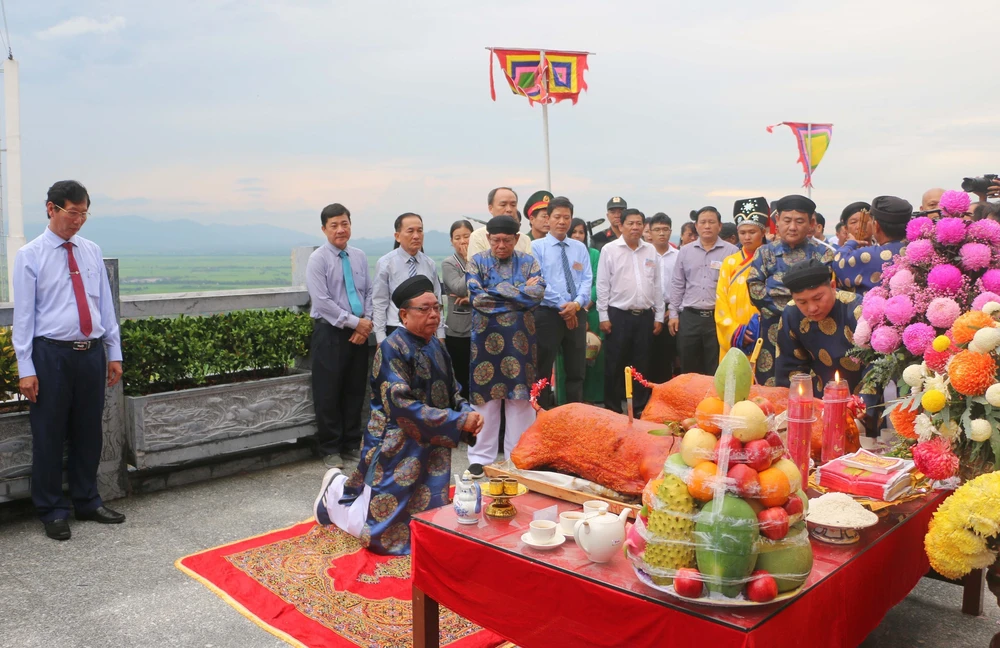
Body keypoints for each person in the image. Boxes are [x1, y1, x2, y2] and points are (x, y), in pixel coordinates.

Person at [313, 276, 484, 555]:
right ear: (404, 314)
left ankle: (341, 494)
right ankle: (332, 496)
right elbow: (400, 405)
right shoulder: (392, 348)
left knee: (427, 517)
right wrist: (456, 421)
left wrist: (467, 412)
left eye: (436, 308)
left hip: (432, 438)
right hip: (397, 441)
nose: (433, 314)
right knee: (383, 535)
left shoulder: (438, 346)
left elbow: (454, 391)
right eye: (424, 309)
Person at [13, 180, 125, 541]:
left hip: (90, 354)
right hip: (51, 354)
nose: (78, 220)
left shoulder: (91, 250)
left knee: (88, 431)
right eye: (72, 213)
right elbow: (24, 318)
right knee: (48, 433)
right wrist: (26, 368)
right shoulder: (30, 254)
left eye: (83, 213)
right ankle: (51, 509)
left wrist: (113, 353)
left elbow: (104, 306)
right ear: (51, 209)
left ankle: (88, 500)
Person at [466, 216, 546, 476]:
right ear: (488, 238)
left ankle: (518, 457)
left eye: (507, 240)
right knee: (485, 399)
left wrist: (497, 291)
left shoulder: (528, 262)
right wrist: (518, 291)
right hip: (484, 340)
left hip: (521, 342)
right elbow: (477, 298)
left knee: (520, 399)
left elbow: (536, 296)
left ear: (516, 239)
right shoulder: (477, 261)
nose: (501, 245)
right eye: (496, 240)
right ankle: (480, 457)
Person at [306, 203, 374, 469]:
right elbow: (321, 301)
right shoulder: (318, 259)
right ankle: (330, 448)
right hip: (330, 331)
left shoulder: (358, 255)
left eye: (344, 223)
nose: (340, 229)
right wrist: (356, 323)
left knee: (355, 389)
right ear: (324, 229)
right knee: (328, 391)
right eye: (334, 225)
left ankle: (350, 444)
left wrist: (364, 324)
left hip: (358, 331)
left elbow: (367, 291)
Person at [747, 194, 836, 386]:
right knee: (771, 390)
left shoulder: (823, 253)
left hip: (812, 330)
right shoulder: (764, 252)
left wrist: (777, 291)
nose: (793, 227)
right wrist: (793, 308)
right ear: (777, 221)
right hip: (772, 334)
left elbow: (823, 292)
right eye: (787, 220)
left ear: (811, 223)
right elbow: (755, 290)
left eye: (799, 221)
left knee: (811, 388)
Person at [597, 209, 664, 413]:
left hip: (644, 316)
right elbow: (602, 284)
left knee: (643, 364)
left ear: (644, 226)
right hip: (618, 315)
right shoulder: (610, 250)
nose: (635, 227)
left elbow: (657, 285)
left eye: (639, 223)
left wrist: (659, 316)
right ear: (621, 225)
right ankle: (613, 409)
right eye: (630, 223)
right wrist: (603, 316)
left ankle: (641, 409)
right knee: (615, 364)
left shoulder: (650, 251)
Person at [775, 259, 869, 398]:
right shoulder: (792, 313)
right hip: (818, 398)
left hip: (861, 395)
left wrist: (865, 404)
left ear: (832, 286)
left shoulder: (858, 310)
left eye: (818, 298)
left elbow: (875, 367)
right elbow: (790, 369)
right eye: (802, 302)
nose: (812, 308)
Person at [531, 197, 592, 408]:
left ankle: (573, 414)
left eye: (567, 217)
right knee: (543, 368)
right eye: (557, 217)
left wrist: (575, 305)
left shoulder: (579, 248)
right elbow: (539, 282)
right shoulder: (536, 247)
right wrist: (564, 306)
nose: (562, 221)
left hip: (576, 311)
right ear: (548, 218)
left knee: (576, 368)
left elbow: (587, 279)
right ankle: (543, 414)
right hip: (548, 314)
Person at [668, 207, 737, 376]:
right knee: (689, 365)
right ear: (696, 226)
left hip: (717, 318)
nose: (707, 226)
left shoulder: (732, 252)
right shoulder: (685, 251)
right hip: (690, 317)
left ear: (719, 226)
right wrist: (673, 314)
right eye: (703, 222)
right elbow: (678, 283)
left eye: (711, 222)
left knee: (716, 366)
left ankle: (713, 401)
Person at [372, 213, 445, 343]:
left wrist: (440, 335)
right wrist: (380, 339)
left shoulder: (430, 264)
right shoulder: (386, 263)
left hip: (426, 330)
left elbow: (437, 300)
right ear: (397, 236)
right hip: (396, 329)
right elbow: (379, 302)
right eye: (410, 231)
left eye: (420, 231)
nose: (416, 236)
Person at [716, 197, 768, 362]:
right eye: (742, 233)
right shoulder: (729, 262)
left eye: (752, 232)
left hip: (765, 330)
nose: (747, 237)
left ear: (763, 232)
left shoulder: (771, 259)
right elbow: (721, 301)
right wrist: (735, 331)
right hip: (736, 333)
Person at [559, 218, 605, 403]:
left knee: (593, 356)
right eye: (574, 232)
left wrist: (584, 306)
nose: (578, 235)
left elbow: (596, 282)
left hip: (590, 312)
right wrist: (572, 307)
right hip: (566, 312)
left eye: (581, 232)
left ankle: (593, 399)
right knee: (568, 359)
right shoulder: (562, 253)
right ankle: (566, 401)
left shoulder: (594, 254)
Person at [834, 196, 912, 296]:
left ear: (876, 225)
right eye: (853, 222)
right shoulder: (916, 250)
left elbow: (838, 262)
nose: (859, 226)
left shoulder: (866, 255)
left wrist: (850, 243)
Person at [441, 219, 474, 401]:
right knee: (461, 378)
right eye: (457, 238)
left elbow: (489, 289)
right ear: (452, 241)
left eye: (467, 237)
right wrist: (470, 262)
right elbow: (459, 288)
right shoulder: (449, 263)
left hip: (481, 327)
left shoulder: (484, 259)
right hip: (458, 330)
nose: (463, 241)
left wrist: (471, 299)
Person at [648, 212, 678, 383]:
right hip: (647, 309)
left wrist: (672, 310)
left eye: (665, 229)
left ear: (670, 231)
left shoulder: (678, 255)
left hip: (670, 311)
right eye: (657, 229)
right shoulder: (644, 254)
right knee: (645, 357)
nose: (661, 233)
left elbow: (682, 285)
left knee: (667, 357)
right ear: (650, 232)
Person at [467, 187, 533, 258]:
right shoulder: (478, 237)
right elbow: (477, 266)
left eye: (513, 205)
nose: (509, 209)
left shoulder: (525, 240)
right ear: (491, 208)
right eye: (503, 205)